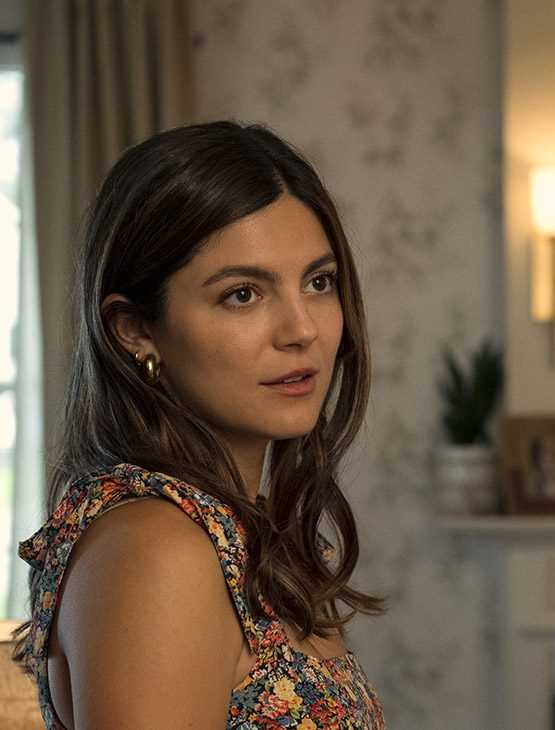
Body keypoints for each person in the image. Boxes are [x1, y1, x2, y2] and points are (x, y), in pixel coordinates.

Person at [11, 122, 386, 728]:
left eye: (318, 283)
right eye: (243, 294)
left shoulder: (234, 528)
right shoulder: (158, 549)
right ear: (135, 329)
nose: (302, 330)